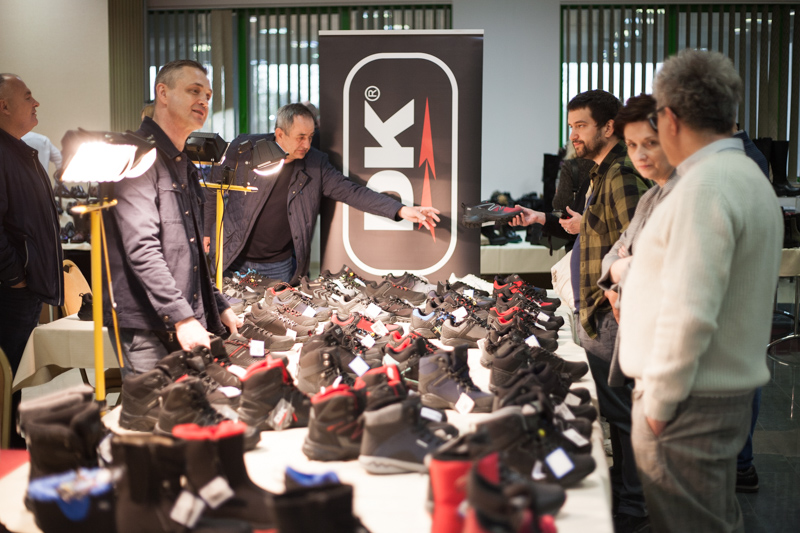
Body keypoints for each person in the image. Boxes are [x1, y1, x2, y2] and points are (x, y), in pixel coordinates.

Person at [619, 49, 782, 532]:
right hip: (710, 395)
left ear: (669, 118)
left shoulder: (705, 187)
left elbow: (689, 310)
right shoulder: (742, 173)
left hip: (687, 402)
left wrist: (658, 406)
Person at [512, 89, 651, 532]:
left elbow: (638, 244)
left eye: (581, 126)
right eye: (571, 125)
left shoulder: (620, 175)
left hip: (611, 312)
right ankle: (626, 492)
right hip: (596, 309)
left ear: (608, 127)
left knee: (623, 413)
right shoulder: (599, 173)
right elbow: (599, 228)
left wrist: (616, 297)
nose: (573, 135)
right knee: (616, 411)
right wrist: (544, 219)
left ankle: (634, 504)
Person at [104, 59, 241, 375]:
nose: (203, 101)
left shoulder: (183, 164)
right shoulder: (136, 157)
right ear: (162, 93)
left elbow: (191, 254)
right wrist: (183, 318)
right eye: (194, 91)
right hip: (147, 325)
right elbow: (142, 249)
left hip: (180, 317)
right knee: (157, 406)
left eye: (208, 95)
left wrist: (217, 304)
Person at [203, 103, 439, 284]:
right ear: (280, 134)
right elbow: (213, 187)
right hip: (232, 255)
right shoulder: (244, 149)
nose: (307, 145)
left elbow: (353, 192)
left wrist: (400, 210)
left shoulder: (316, 164)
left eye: (310, 137)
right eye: (300, 138)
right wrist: (206, 230)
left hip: (278, 266)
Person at [0, 73, 64, 448]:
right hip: (10, 294)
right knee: (6, 383)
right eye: (27, 97)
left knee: (15, 385)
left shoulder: (20, 150)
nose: (36, 102)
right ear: (4, 106)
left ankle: (11, 449)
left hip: (23, 289)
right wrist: (14, 276)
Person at [596, 94, 677, 384]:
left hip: (669, 356)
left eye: (650, 143)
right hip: (643, 347)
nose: (639, 154)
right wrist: (621, 266)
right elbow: (613, 255)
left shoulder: (685, 195)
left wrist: (622, 269)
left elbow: (660, 273)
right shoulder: (650, 196)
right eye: (631, 145)